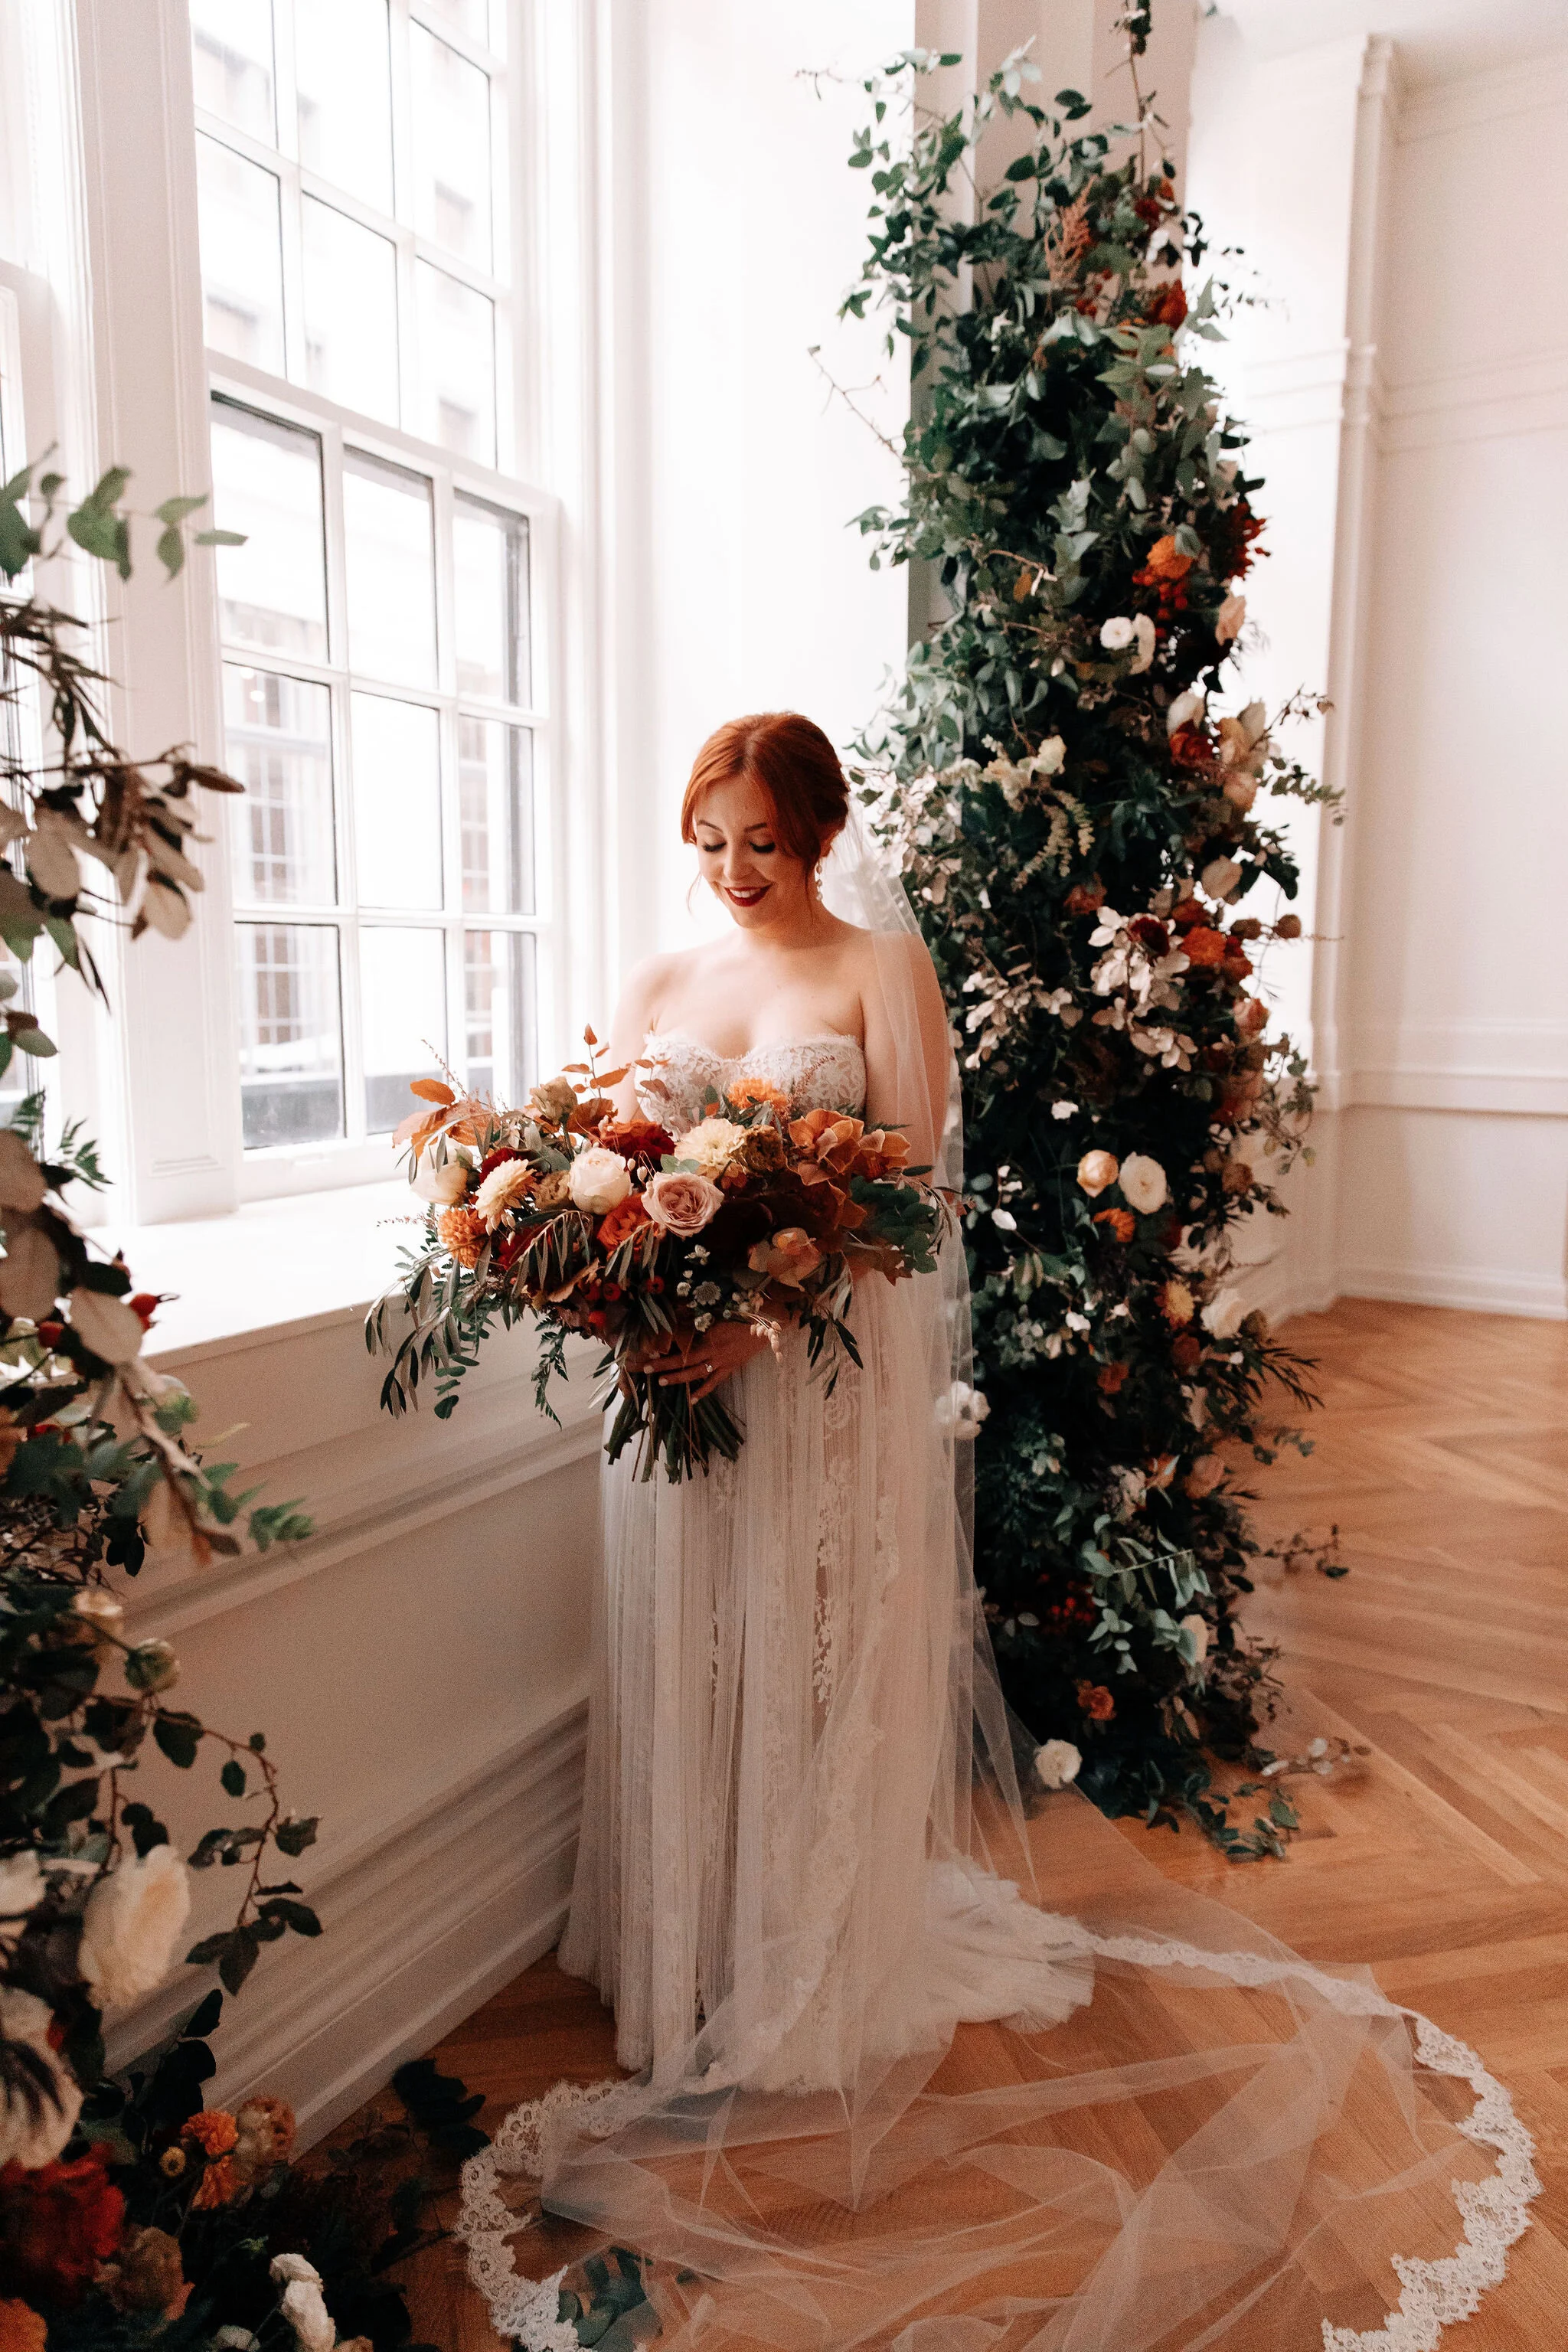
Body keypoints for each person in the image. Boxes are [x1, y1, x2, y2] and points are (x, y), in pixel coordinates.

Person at [459, 715, 1535, 2352]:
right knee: (689, 1636)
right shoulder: (659, 976)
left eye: (759, 841)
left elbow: (908, 1209)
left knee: (808, 1642)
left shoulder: (881, 973)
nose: (732, 873)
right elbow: (610, 1160)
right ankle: (686, 1939)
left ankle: (801, 1950)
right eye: (708, 840)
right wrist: (614, 1286)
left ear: (817, 835)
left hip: (803, 1384)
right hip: (670, 1394)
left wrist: (754, 1321)